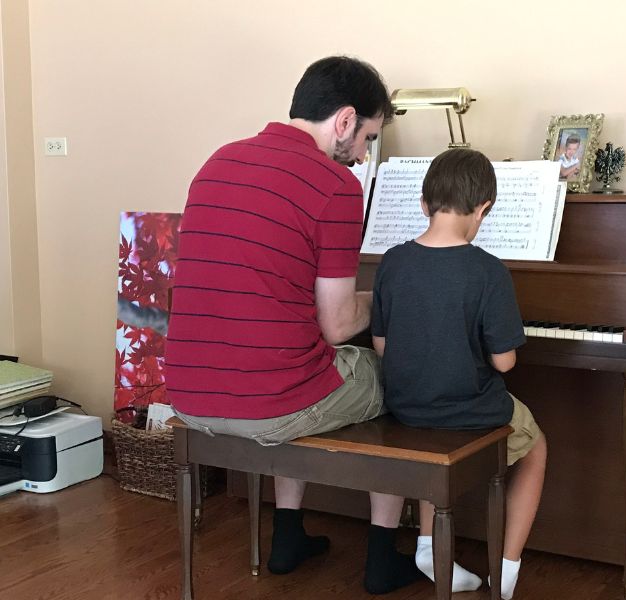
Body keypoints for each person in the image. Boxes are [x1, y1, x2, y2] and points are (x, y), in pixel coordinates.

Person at [165, 56, 422, 594]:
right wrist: (389, 295)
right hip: (272, 404)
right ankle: (383, 556)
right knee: (398, 373)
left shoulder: (217, 161)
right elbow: (337, 325)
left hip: (188, 394)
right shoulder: (335, 186)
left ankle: (287, 537)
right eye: (369, 139)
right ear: (346, 120)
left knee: (295, 356)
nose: (363, 156)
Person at [370, 148, 547, 599]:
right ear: (483, 208)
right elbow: (505, 362)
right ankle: (505, 571)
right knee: (537, 446)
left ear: (424, 203)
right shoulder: (488, 271)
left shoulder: (392, 261)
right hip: (468, 412)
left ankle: (429, 549)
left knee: (434, 430)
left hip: (407, 407)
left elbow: (382, 345)